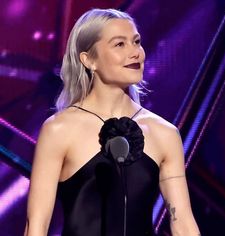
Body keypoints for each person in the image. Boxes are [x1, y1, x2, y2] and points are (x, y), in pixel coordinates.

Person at [24, 8, 200, 236]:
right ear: (89, 60)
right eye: (120, 44)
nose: (135, 53)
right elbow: (36, 226)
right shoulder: (59, 129)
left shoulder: (164, 133)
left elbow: (183, 223)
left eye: (136, 42)